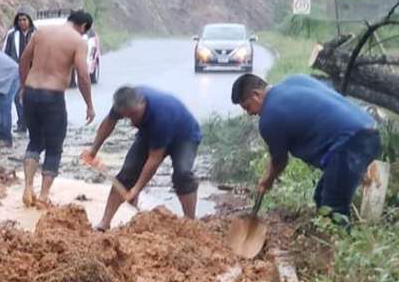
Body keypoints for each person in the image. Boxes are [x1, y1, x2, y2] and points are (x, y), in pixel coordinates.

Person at [231, 73, 380, 220]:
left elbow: (279, 160)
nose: (249, 113)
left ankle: (346, 242)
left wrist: (267, 180)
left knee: (332, 208)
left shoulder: (269, 117)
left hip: (350, 145)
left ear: (256, 94)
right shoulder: (295, 80)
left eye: (247, 107)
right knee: (321, 198)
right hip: (368, 128)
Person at [84, 86, 202, 231]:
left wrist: (136, 189)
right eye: (127, 117)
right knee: (127, 173)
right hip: (149, 132)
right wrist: (93, 150)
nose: (132, 121)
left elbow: (154, 160)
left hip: (184, 136)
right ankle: (105, 222)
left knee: (182, 174)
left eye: (134, 115)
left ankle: (190, 224)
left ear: (142, 103)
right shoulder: (125, 100)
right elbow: (109, 122)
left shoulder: (160, 114)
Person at [18, 10, 96, 207]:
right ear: (84, 27)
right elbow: (83, 75)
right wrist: (89, 104)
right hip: (52, 96)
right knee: (54, 147)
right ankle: (43, 196)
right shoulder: (78, 41)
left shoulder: (41, 32)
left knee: (34, 141)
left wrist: (23, 86)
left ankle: (28, 187)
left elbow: (24, 60)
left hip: (31, 92)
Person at [1, 8, 36, 133]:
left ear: (29, 20)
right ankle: (22, 123)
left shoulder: (36, 34)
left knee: (32, 97)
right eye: (20, 20)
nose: (22, 22)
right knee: (17, 97)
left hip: (33, 71)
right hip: (16, 71)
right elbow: (5, 53)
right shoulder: (12, 35)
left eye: (24, 19)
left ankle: (32, 123)